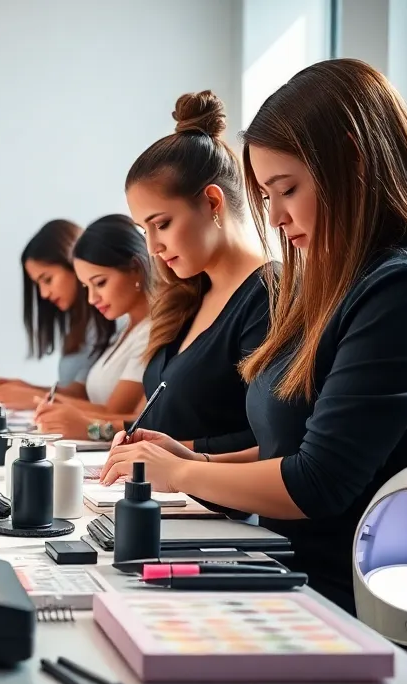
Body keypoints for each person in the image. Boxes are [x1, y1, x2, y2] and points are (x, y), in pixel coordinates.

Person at [101, 59, 407, 611]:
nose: (278, 218)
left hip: (357, 597)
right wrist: (196, 464)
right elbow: (302, 447)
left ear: (354, 163)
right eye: (267, 197)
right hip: (300, 569)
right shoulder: (353, 282)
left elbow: (318, 482)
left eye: (287, 190)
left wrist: (182, 470)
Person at [122, 91, 272, 455]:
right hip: (169, 502)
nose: (153, 246)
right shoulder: (188, 294)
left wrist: (173, 457)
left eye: (162, 224)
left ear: (212, 202)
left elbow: (273, 439)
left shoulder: (268, 294)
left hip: (227, 509)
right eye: (145, 230)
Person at [33, 214, 154, 441]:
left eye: (100, 283)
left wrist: (87, 427)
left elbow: (133, 421)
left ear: (136, 269)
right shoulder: (125, 329)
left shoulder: (153, 332)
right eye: (86, 286)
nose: (91, 298)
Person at [0, 220, 116, 409]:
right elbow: (73, 391)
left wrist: (31, 396)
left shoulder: (109, 320)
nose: (43, 294)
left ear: (73, 265)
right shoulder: (79, 322)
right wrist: (25, 389)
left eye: (47, 279)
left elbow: (85, 396)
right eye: (38, 284)